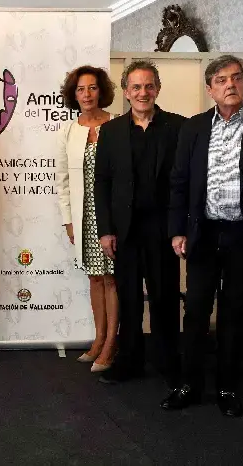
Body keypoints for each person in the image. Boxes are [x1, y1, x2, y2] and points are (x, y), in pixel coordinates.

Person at [165, 55, 243, 416]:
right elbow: (179, 182)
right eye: (221, 80)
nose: (229, 85)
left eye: (236, 78)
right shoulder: (194, 128)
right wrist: (177, 230)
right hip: (203, 232)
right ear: (209, 89)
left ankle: (227, 387)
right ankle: (188, 384)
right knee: (197, 311)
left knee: (234, 313)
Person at [94, 60, 184, 388]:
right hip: (125, 231)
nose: (143, 92)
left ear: (157, 89)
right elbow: (101, 182)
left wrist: (181, 228)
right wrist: (105, 229)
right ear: (126, 92)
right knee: (129, 299)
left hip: (164, 230)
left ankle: (168, 362)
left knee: (164, 297)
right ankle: (129, 361)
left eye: (148, 86)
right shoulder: (112, 131)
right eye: (136, 87)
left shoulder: (178, 127)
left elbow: (184, 182)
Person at [56, 65, 117, 373]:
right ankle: (99, 338)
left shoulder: (118, 125)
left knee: (112, 278)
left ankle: (111, 344)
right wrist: (68, 220)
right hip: (83, 215)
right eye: (81, 89)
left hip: (113, 216)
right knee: (95, 277)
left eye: (92, 88)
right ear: (74, 94)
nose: (87, 94)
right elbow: (63, 180)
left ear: (101, 91)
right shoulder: (70, 130)